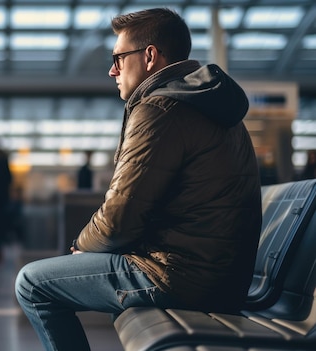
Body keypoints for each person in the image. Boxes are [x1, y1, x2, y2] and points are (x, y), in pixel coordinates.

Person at [15, 8, 262, 351]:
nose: (111, 69)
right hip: (220, 277)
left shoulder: (160, 109)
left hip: (179, 277)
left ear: (149, 56)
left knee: (31, 283)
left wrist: (81, 248)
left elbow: (119, 218)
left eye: (118, 57)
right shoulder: (212, 106)